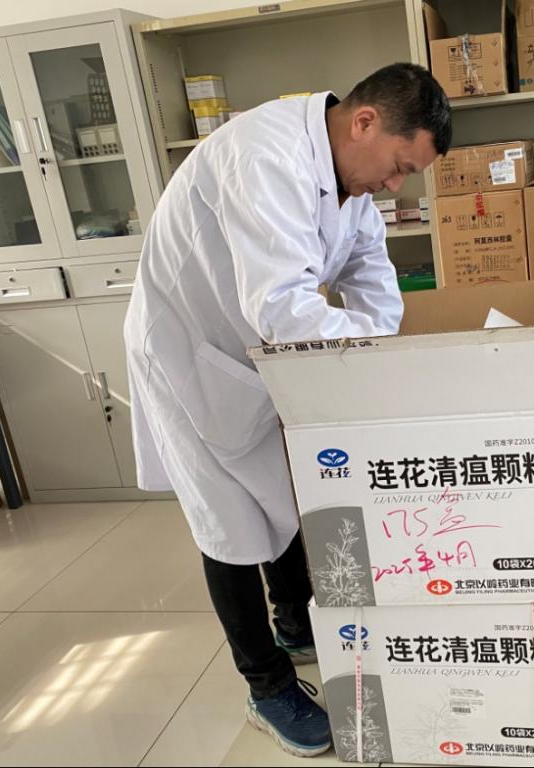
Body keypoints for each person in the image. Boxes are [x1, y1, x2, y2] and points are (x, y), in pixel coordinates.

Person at [123, 63, 451, 757]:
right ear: (365, 122)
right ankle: (266, 685)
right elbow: (282, 308)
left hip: (254, 358)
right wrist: (359, 359)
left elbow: (373, 280)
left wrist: (379, 355)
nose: (395, 186)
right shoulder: (265, 154)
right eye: (399, 166)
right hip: (190, 354)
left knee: (282, 494)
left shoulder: (351, 183)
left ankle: (296, 625)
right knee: (230, 526)